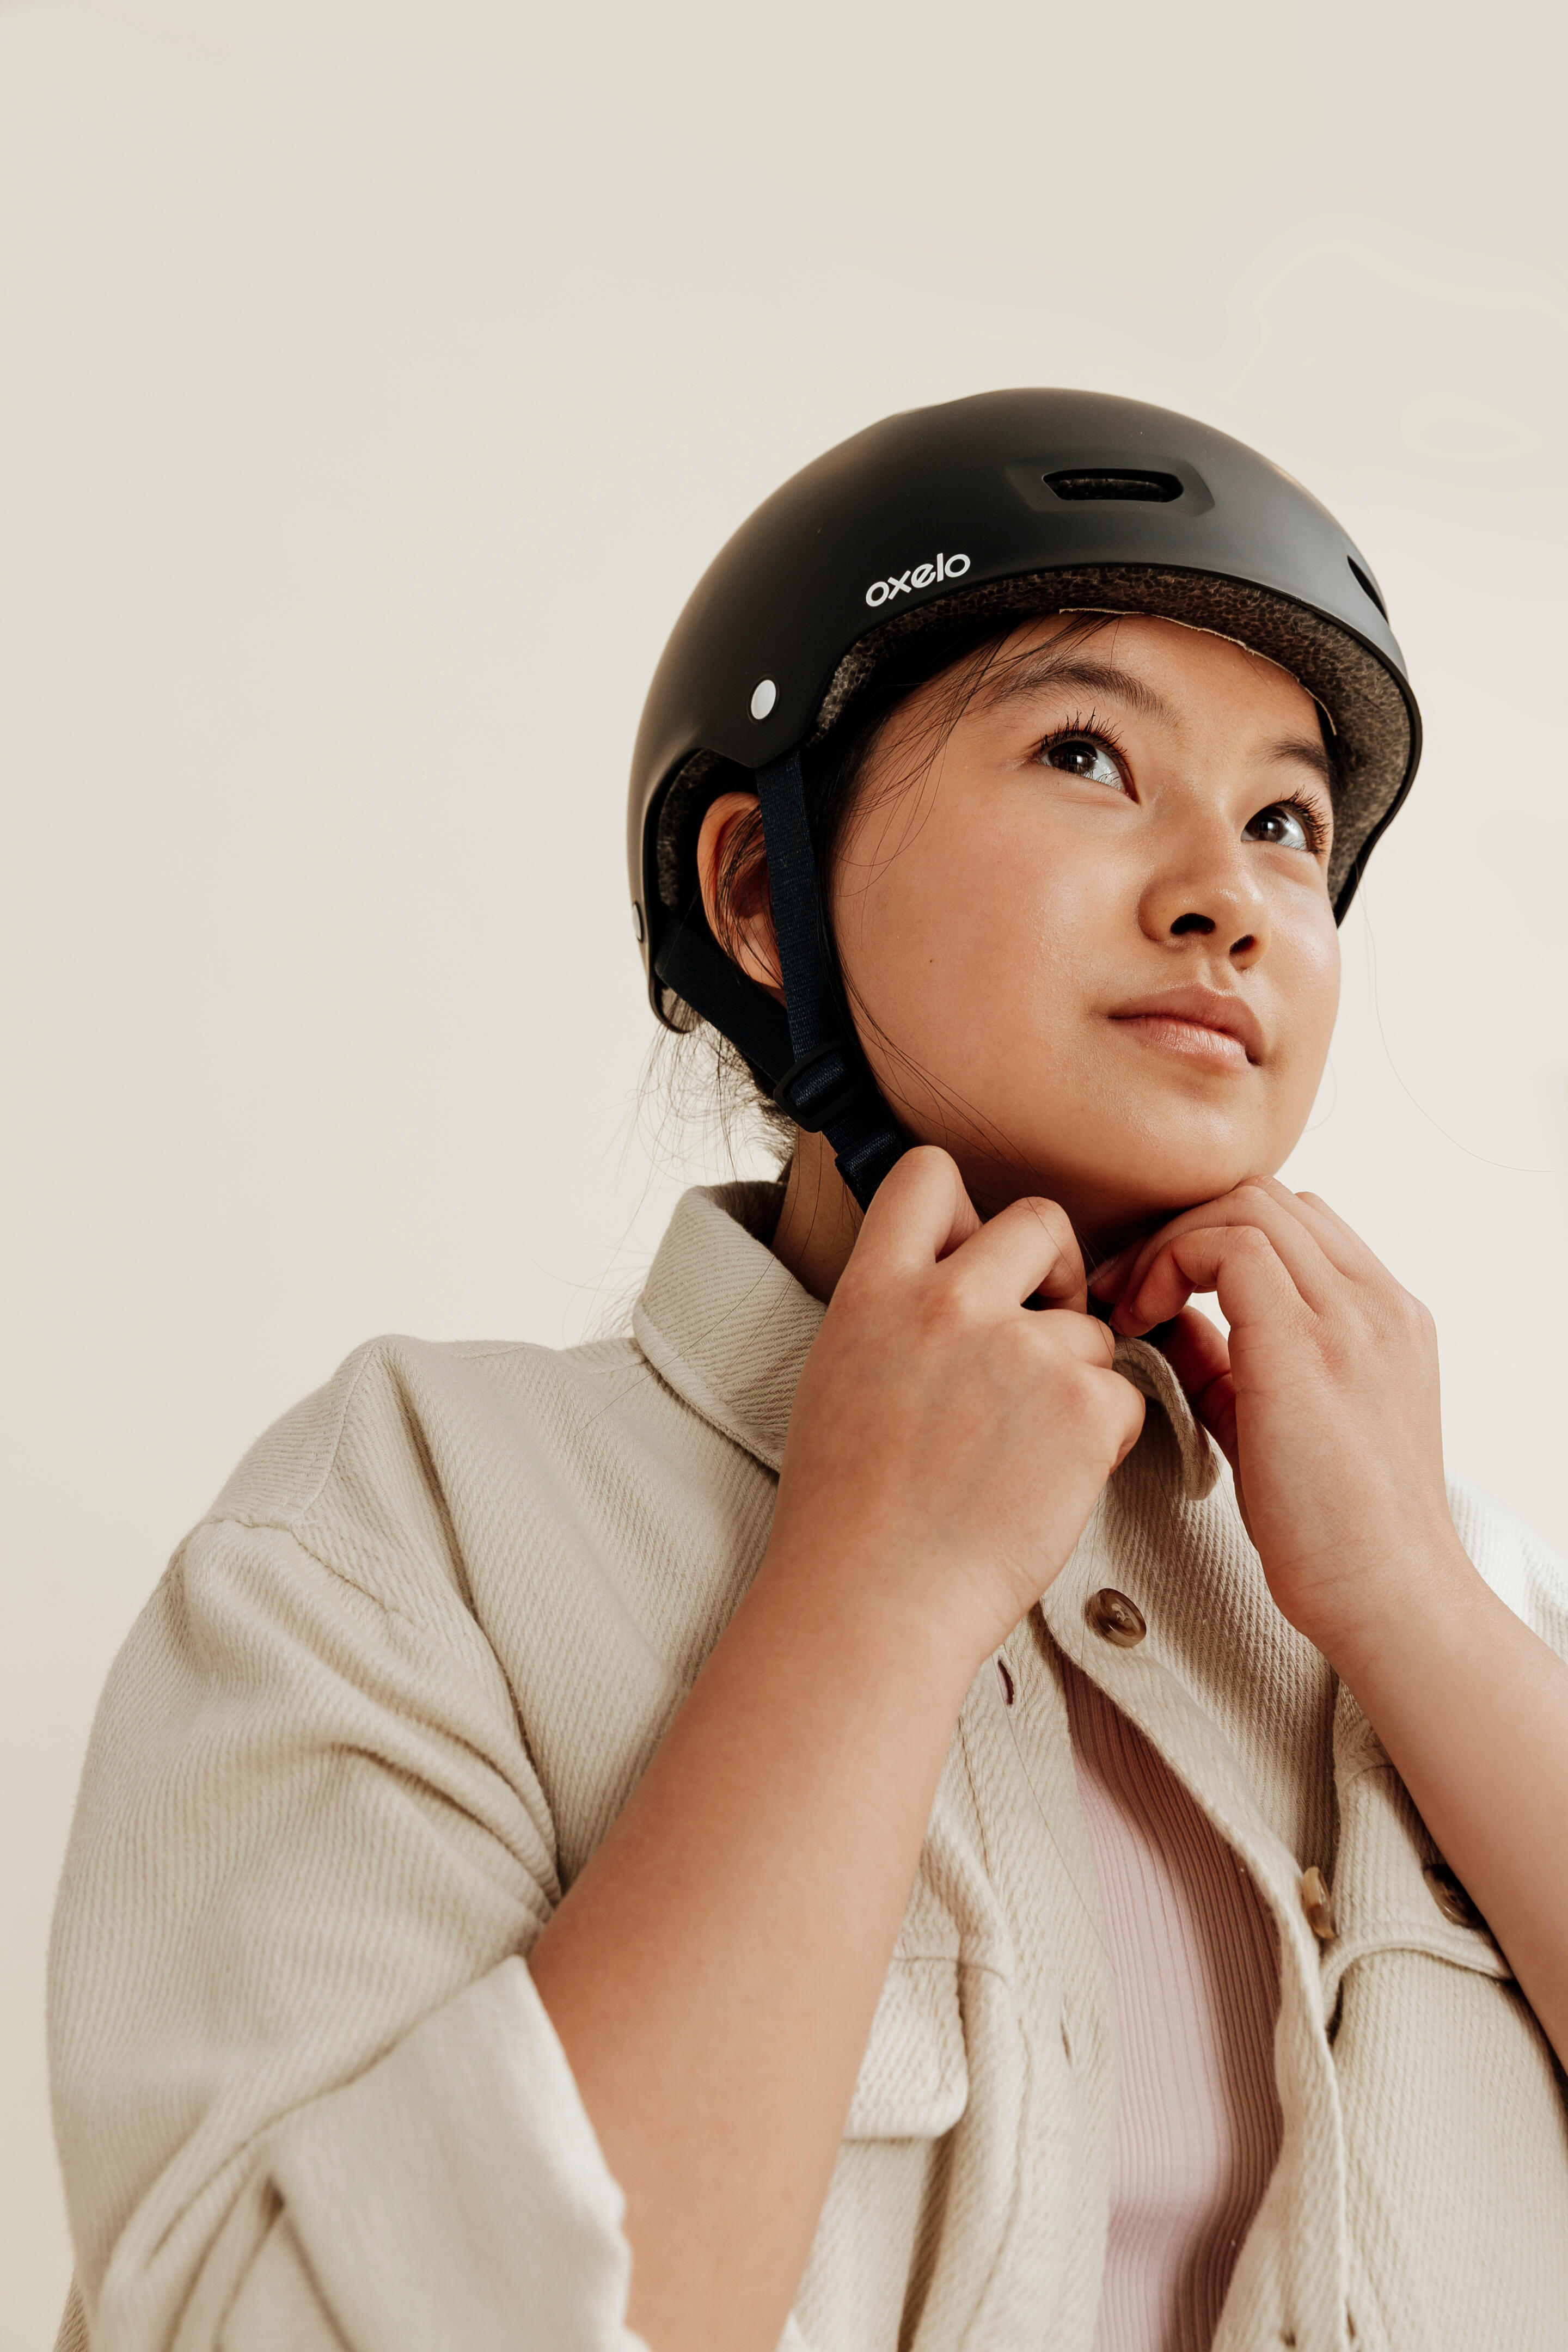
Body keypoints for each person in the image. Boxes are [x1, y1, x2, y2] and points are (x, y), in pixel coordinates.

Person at [48, 391, 1568, 2352]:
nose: (1231, 895)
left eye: (1290, 819)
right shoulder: (410, 1518)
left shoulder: (1453, 1574)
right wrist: (875, 1591)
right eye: (1089, 753)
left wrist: (1419, 1608)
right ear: (761, 892)